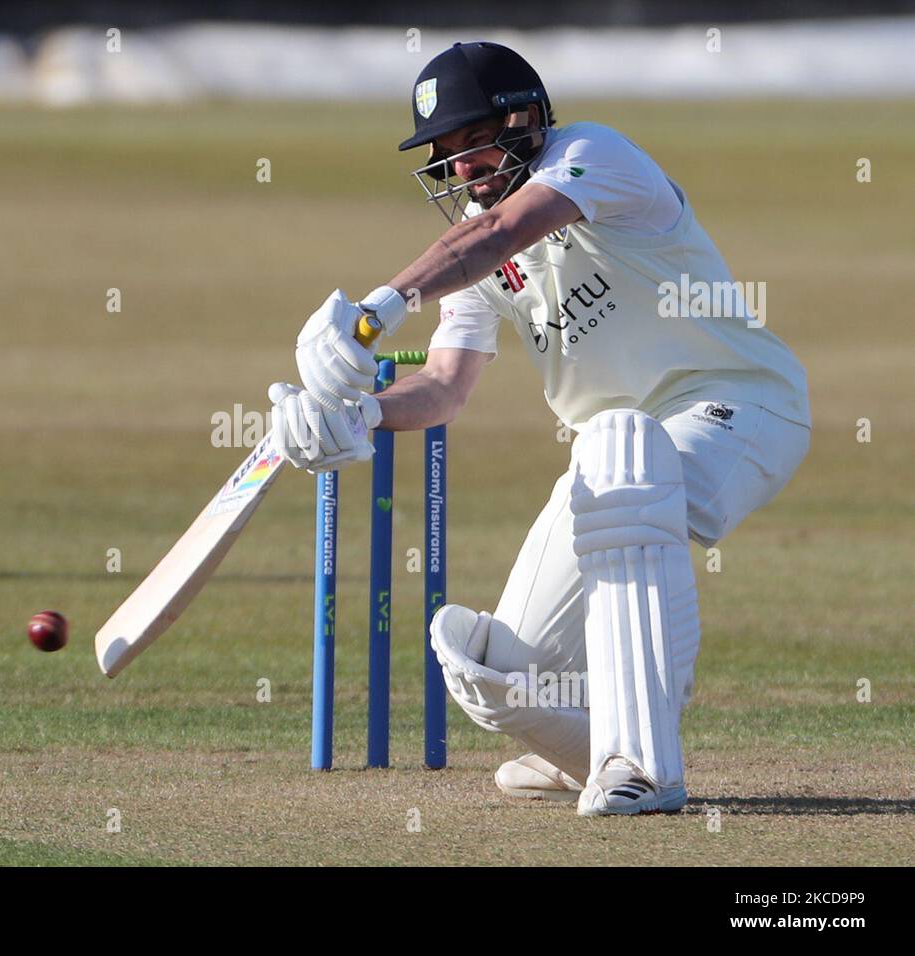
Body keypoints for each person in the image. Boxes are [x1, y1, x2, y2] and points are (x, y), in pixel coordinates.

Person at [268, 41, 810, 816]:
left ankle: (644, 767)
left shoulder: (595, 153)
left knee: (626, 455)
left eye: (469, 146)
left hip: (742, 407)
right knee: (491, 671)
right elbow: (446, 387)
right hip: (611, 456)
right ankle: (586, 748)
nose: (459, 172)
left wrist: (371, 313)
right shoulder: (480, 253)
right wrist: (363, 414)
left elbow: (493, 237)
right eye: (444, 158)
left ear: (523, 121)